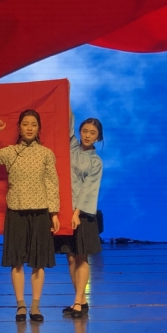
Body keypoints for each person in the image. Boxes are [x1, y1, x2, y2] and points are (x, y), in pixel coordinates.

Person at [0, 110, 60, 322]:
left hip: (40, 212)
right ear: (19, 128)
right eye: (25, 124)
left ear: (39, 129)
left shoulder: (46, 154)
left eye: (33, 124)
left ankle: (35, 306)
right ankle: (20, 305)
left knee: (38, 262)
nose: (29, 128)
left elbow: (52, 184)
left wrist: (54, 214)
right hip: (16, 211)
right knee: (17, 261)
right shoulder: (10, 152)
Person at [56, 112, 103, 319]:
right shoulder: (72, 147)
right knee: (70, 257)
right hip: (66, 210)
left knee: (82, 256)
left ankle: (78, 300)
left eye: (92, 133)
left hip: (82, 214)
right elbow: (67, 121)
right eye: (85, 131)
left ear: (98, 137)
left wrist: (76, 212)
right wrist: (65, 98)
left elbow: (88, 190)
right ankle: (81, 300)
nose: (87, 135)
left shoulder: (96, 162)